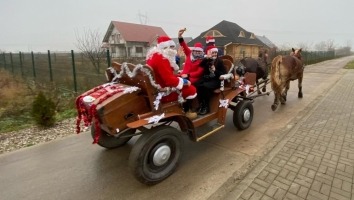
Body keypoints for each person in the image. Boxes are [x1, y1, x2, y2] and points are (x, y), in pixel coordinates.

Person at [146, 35, 197, 119]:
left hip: (156, 87)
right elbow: (169, 81)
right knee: (191, 89)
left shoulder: (153, 56)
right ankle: (187, 111)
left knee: (185, 81)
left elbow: (165, 74)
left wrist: (179, 76)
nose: (173, 50)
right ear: (166, 47)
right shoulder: (162, 59)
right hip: (163, 93)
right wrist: (185, 82)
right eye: (172, 47)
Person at [196, 44, 227, 115]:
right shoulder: (208, 60)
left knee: (204, 87)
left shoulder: (219, 61)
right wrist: (206, 58)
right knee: (197, 84)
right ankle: (201, 104)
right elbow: (200, 65)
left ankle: (206, 106)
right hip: (208, 78)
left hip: (217, 80)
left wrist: (215, 70)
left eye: (215, 53)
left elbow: (224, 73)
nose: (215, 54)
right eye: (213, 53)